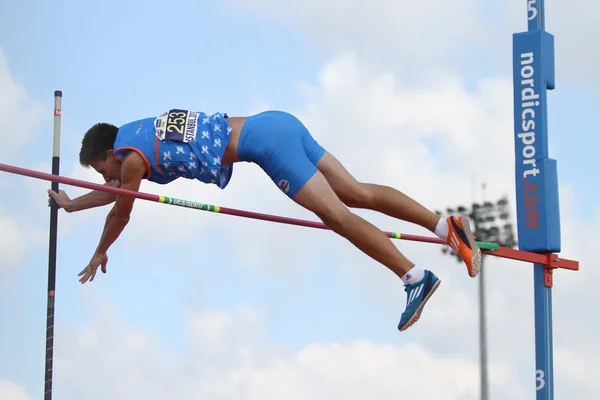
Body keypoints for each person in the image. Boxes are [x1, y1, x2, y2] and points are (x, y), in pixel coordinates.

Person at [48, 109, 481, 331]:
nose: (106, 176)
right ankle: (447, 228)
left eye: (100, 168)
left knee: (337, 215)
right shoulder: (137, 134)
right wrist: (70, 205)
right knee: (356, 193)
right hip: (274, 122)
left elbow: (121, 206)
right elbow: (113, 192)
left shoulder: (129, 160)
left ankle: (413, 277)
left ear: (108, 153)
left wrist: (101, 248)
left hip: (265, 145)